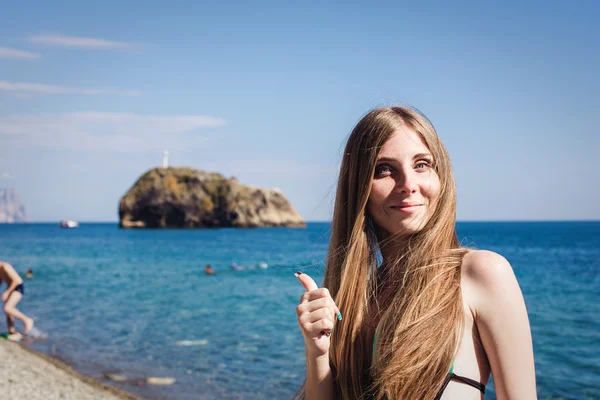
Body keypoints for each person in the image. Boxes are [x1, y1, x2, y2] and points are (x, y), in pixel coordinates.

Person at [294, 107, 536, 399]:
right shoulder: (355, 298)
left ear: (441, 176)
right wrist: (317, 352)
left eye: (422, 165)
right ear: (359, 187)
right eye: (384, 169)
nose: (408, 185)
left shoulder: (481, 273)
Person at [0, 261, 34, 335]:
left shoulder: (5, 266)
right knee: (8, 313)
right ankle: (11, 332)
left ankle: (27, 320)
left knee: (8, 308)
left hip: (18, 287)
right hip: (10, 288)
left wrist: (7, 292)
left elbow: (16, 281)